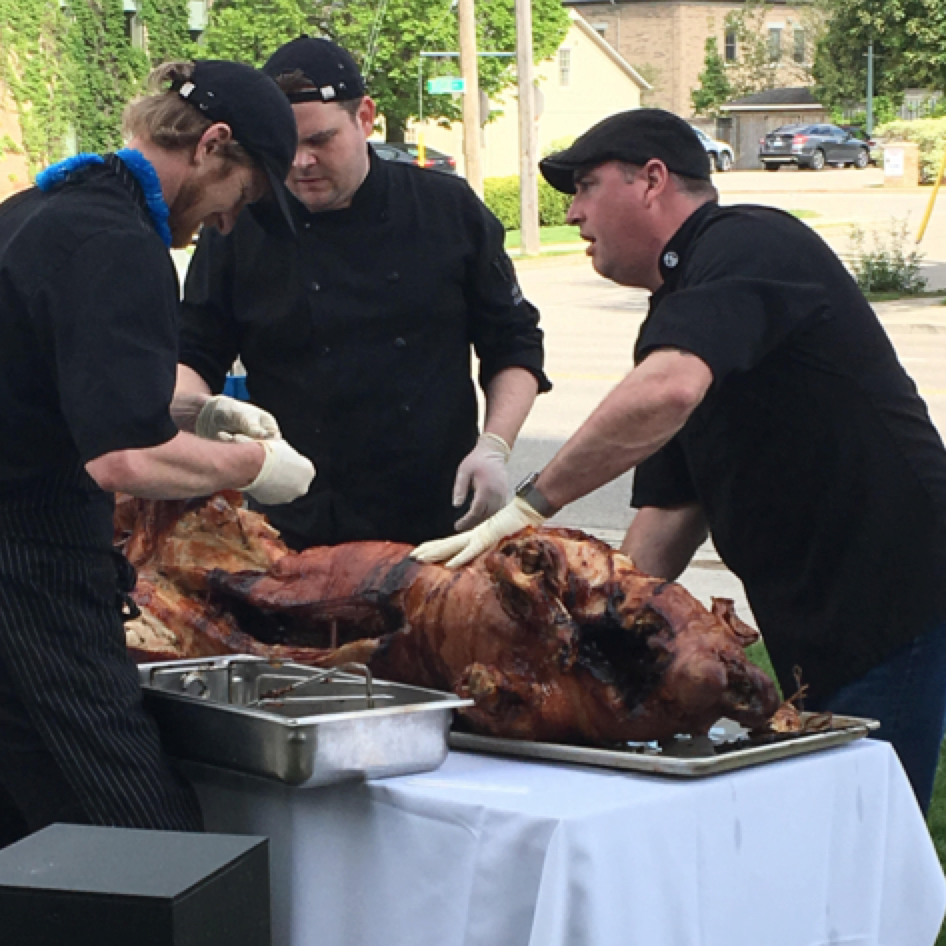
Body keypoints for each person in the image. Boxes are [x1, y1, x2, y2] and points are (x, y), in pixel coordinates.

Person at [413, 108, 946, 814]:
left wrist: (529, 506)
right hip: (805, 606)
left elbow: (667, 392)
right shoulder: (677, 310)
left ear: (653, 179)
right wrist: (587, 636)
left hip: (890, 589)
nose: (571, 213)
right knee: (807, 831)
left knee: (865, 829)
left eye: (584, 186)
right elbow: (667, 516)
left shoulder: (749, 241)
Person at [0, 59, 316, 846]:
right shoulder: (120, 244)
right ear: (213, 146)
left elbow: (67, 386)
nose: (230, 219)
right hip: (31, 569)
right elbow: (123, 460)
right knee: (149, 836)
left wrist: (201, 412)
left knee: (27, 830)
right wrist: (251, 469)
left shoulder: (32, 213)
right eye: (241, 194)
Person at [176, 36, 550, 550]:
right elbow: (193, 350)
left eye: (321, 140)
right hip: (291, 519)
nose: (302, 161)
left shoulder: (447, 210)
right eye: (286, 145)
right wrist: (202, 415)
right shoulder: (239, 225)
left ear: (365, 119)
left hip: (433, 514)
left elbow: (514, 342)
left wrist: (495, 445)